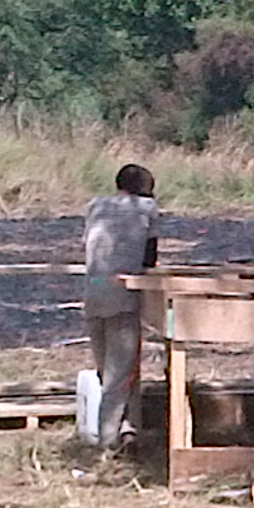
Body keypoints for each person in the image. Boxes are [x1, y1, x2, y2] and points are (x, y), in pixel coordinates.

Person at [81, 163, 158, 452]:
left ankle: (129, 429)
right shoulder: (147, 208)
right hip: (123, 296)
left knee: (109, 370)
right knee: (119, 376)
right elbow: (150, 259)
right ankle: (108, 442)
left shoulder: (96, 206)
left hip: (94, 292)